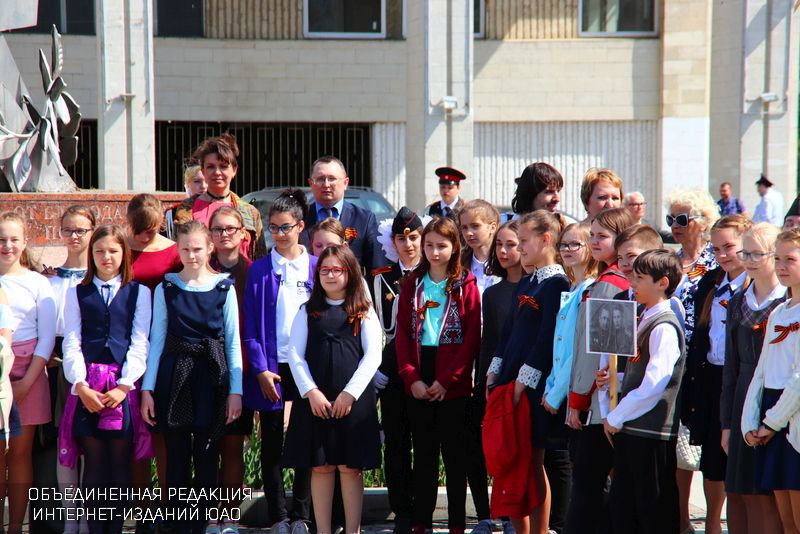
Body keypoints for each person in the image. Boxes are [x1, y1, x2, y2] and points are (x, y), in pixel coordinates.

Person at [140, 220, 243, 533]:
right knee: (176, 454)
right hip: (174, 375)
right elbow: (157, 339)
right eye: (185, 249)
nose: (192, 255)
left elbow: (232, 341)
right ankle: (177, 523)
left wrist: (235, 391)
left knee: (208, 452)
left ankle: (206, 521)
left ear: (210, 247)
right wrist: (147, 389)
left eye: (197, 248)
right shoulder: (167, 288)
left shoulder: (224, 287)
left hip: (212, 376)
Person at [282, 246, 382, 534]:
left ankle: (353, 530)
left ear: (350, 273)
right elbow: (295, 355)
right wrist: (310, 391)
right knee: (321, 466)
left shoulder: (363, 310)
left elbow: (373, 354)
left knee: (350, 468)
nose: (330, 275)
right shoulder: (307, 310)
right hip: (316, 401)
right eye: (324, 270)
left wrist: (350, 393)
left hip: (353, 401)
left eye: (337, 269)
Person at [59, 224, 152, 534]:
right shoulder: (78, 292)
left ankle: (115, 528)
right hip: (88, 385)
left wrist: (125, 385)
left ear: (124, 254)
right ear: (91, 254)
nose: (106, 257)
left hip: (122, 386)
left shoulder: (139, 292)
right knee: (95, 462)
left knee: (120, 461)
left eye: (113, 250)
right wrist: (80, 384)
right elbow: (72, 340)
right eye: (99, 251)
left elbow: (140, 341)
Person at [395, 217, 481, 534]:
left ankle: (457, 522)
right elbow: (403, 335)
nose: (434, 252)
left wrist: (448, 380)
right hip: (420, 371)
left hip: (452, 379)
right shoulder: (412, 284)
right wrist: (411, 378)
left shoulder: (466, 284)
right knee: (424, 454)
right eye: (429, 245)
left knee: (455, 456)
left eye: (441, 246)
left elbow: (472, 338)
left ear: (454, 247)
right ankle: (422, 521)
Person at [486, 210, 570, 534]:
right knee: (514, 462)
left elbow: (548, 338)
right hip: (509, 383)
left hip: (532, 388)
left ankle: (540, 530)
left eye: (523, 240)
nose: (518, 248)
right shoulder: (527, 281)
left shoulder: (556, 283)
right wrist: (494, 372)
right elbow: (507, 333)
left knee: (533, 462)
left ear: (545, 239)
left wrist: (524, 381)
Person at [242, 190, 315, 534]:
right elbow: (250, 326)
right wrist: (260, 368)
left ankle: (302, 514)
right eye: (273, 228)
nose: (279, 234)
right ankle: (278, 516)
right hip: (272, 366)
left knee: (305, 441)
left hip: (306, 366)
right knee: (271, 442)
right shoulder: (260, 269)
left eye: (285, 227)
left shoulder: (315, 266)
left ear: (300, 226)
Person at [602, 249, 685, 534]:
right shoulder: (643, 316)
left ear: (662, 283)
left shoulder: (664, 326)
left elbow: (655, 383)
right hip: (632, 428)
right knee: (626, 509)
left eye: (639, 278)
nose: (632, 283)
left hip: (651, 432)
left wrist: (617, 416)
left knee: (653, 510)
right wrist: (614, 378)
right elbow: (637, 371)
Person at [565, 207, 634, 534]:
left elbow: (597, 354)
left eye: (602, 236)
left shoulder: (609, 285)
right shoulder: (610, 280)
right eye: (592, 235)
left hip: (598, 404)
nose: (594, 241)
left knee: (586, 487)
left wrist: (577, 400)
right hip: (606, 401)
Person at [682, 215, 751, 534]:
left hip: (741, 379)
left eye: (729, 247)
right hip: (711, 377)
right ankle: (712, 522)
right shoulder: (711, 281)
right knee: (711, 457)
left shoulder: (754, 286)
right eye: (716, 248)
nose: (722, 255)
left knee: (738, 460)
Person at [721, 223, 784, 534]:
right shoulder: (737, 302)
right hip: (742, 399)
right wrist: (726, 424)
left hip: (776, 398)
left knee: (769, 497)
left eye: (757, 253)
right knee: (742, 491)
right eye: (745, 253)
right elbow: (730, 367)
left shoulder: (786, 303)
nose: (749, 260)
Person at [665, 187, 720, 531]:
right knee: (678, 446)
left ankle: (712, 522)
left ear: (702, 221)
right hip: (673, 361)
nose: (675, 225)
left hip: (704, 361)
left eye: (682, 219)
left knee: (710, 448)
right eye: (671, 218)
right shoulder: (669, 260)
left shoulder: (716, 260)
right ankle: (681, 519)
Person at [0, 212, 57, 534]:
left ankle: (15, 528)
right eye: (1, 239)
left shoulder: (38, 283)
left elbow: (46, 338)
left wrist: (26, 383)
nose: (7, 246)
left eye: (13, 239)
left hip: (29, 375)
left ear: (24, 242)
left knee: (21, 454)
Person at [373, 207, 428, 534]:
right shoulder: (380, 278)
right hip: (390, 374)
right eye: (401, 238)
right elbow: (376, 328)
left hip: (423, 371)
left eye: (413, 237)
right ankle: (402, 511)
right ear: (392, 242)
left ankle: (421, 511)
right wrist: (377, 367)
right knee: (395, 444)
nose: (408, 244)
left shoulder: (431, 275)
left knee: (424, 443)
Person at [741, 227, 800, 533]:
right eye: (777, 258)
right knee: (786, 518)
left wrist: (772, 423)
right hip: (771, 415)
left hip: (792, 419)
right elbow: (761, 372)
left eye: (790, 259)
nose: (781, 266)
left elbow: (799, 380)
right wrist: (750, 424)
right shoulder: (779, 312)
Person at [542, 223, 598, 534]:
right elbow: (559, 348)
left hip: (574, 392)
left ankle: (561, 525)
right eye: (563, 244)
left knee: (568, 463)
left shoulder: (590, 289)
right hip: (559, 387)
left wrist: (556, 392)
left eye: (575, 244)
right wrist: (551, 384)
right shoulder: (573, 288)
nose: (566, 250)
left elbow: (579, 351)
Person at [46, 205, 96, 534]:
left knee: (90, 444)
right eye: (68, 230)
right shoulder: (49, 280)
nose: (74, 236)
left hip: (94, 366)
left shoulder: (101, 278)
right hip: (57, 365)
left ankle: (89, 518)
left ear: (92, 231)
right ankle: (70, 518)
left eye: (81, 230)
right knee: (64, 444)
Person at [209, 207, 253, 534]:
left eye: (230, 229)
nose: (224, 234)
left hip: (241, 369)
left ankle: (230, 516)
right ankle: (211, 514)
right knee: (209, 447)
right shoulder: (199, 268)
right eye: (218, 229)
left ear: (242, 234)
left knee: (234, 446)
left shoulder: (253, 271)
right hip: (206, 369)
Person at [476, 220, 522, 534]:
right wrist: (484, 382)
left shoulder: (540, 287)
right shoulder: (492, 294)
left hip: (530, 381)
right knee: (502, 452)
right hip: (500, 383)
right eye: (499, 245)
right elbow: (490, 342)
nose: (503, 251)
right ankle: (502, 516)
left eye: (511, 244)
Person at [173, 133, 265, 260]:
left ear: (234, 170)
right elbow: (177, 257)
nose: (217, 172)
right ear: (203, 171)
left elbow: (259, 258)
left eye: (223, 166)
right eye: (210, 167)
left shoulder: (250, 213)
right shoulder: (186, 210)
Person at [300, 156, 384, 276]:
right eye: (320, 179)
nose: (326, 184)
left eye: (332, 179)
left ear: (345, 183)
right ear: (311, 183)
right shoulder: (299, 218)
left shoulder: (364, 220)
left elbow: (376, 269)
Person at [127, 193, 183, 293]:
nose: (144, 238)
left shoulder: (174, 252)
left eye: (150, 231)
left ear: (160, 221)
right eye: (137, 231)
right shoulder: (118, 247)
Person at [459, 199, 500, 297]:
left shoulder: (505, 261)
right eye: (464, 227)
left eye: (475, 226)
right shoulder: (458, 263)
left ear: (492, 227)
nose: (469, 233)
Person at [164, 164, 208, 240]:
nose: (203, 186)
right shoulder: (172, 213)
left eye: (207, 181)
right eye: (197, 181)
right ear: (187, 185)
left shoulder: (220, 209)